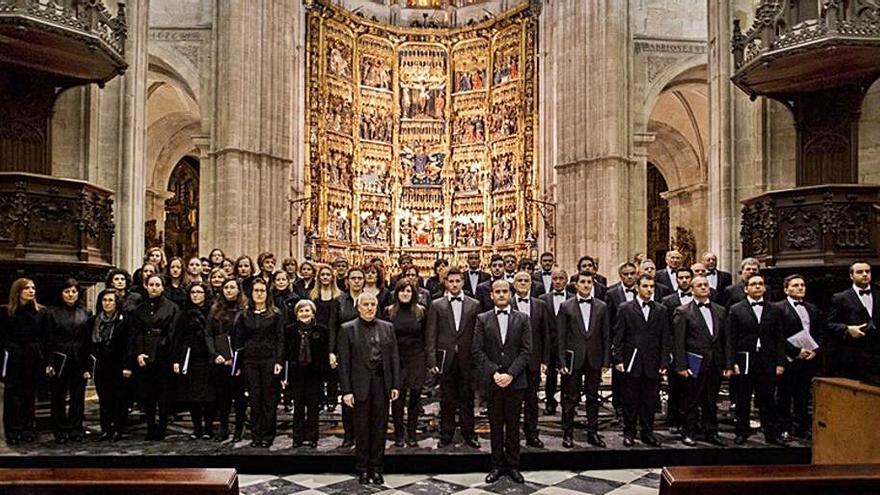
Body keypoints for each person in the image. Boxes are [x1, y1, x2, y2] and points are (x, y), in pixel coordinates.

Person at [338, 293, 400, 485]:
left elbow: (394, 359)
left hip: (381, 384)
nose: (370, 307)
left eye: (373, 304)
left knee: (380, 428)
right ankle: (363, 469)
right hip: (359, 386)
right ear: (358, 307)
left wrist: (395, 384)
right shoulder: (347, 329)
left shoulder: (387, 327)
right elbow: (344, 364)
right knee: (362, 429)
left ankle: (377, 468)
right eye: (365, 304)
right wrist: (346, 391)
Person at [474, 279, 531, 484]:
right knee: (495, 426)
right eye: (496, 291)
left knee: (514, 426)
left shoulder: (523, 318)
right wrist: (495, 373)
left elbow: (526, 351)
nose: (500, 295)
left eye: (504, 291)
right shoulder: (482, 318)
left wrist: (511, 374)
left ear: (510, 293)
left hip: (515, 381)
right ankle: (497, 466)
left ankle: (514, 466)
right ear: (491, 295)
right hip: (493, 381)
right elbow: (477, 351)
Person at [726, 274, 786, 445]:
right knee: (742, 398)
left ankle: (771, 433)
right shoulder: (736, 309)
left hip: (767, 360)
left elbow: (779, 338)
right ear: (746, 289)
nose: (758, 287)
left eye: (760, 284)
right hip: (744, 360)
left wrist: (780, 362)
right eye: (753, 284)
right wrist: (732, 363)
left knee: (768, 399)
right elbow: (731, 338)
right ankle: (741, 432)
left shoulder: (774, 309)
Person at [425, 267, 481, 448]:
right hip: (445, 358)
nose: (455, 284)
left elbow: (478, 334)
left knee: (467, 398)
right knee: (446, 399)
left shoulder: (474, 304)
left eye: (458, 281)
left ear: (463, 282)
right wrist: (432, 360)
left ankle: (469, 434)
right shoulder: (436, 304)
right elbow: (431, 334)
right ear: (446, 283)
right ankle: (446, 434)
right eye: (451, 281)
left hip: (467, 358)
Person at [612, 275, 670, 447]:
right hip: (632, 361)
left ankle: (648, 432)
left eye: (652, 286)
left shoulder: (660, 309)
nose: (649, 289)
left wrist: (664, 362)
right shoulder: (625, 308)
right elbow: (619, 336)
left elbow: (665, 338)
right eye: (645, 286)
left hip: (652, 361)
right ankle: (629, 432)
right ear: (637, 287)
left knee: (650, 400)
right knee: (630, 400)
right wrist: (618, 359)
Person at [673, 275, 731, 446]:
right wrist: (681, 365)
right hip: (694, 363)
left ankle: (711, 432)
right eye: (699, 285)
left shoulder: (720, 310)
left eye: (706, 285)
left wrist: (727, 364)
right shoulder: (683, 311)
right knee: (691, 400)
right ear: (692, 289)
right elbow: (678, 341)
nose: (704, 288)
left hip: (715, 363)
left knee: (711, 400)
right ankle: (688, 431)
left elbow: (725, 340)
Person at [557, 271, 611, 448]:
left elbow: (605, 336)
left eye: (589, 282)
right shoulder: (566, 306)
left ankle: (592, 432)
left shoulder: (602, 306)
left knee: (593, 398)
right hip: (574, 359)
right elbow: (561, 337)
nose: (586, 285)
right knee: (570, 398)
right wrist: (562, 362)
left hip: (594, 358)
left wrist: (605, 361)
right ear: (576, 285)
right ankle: (568, 433)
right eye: (583, 282)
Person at [232, 278, 285, 448]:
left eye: (262, 290)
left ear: (267, 294)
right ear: (251, 293)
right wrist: (238, 364)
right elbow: (238, 341)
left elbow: (280, 339)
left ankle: (268, 435)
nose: (259, 293)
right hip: (250, 361)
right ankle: (256, 435)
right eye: (256, 290)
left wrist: (279, 361)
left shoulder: (275, 314)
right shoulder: (243, 315)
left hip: (269, 360)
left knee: (269, 399)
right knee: (255, 399)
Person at [129, 274, 180, 440]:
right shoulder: (139, 309)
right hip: (145, 355)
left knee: (164, 394)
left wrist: (168, 353)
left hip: (164, 354)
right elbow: (135, 333)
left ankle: (162, 427)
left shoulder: (172, 307)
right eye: (151, 284)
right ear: (145, 286)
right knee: (148, 394)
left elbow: (173, 333)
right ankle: (150, 426)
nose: (154, 287)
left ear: (163, 287)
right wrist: (139, 352)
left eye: (158, 284)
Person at [0, 278, 49, 445]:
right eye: (27, 288)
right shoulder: (6, 311)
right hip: (14, 355)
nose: (31, 291)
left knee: (30, 394)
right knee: (12, 394)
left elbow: (46, 337)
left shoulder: (42, 312)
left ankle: (28, 429)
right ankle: (12, 431)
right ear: (18, 291)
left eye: (33, 288)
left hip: (33, 355)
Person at [775, 274, 821, 439]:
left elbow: (818, 333)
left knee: (803, 395)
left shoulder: (813, 308)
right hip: (788, 358)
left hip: (809, 358)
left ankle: (801, 427)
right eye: (795, 285)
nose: (800, 288)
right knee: (784, 395)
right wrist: (795, 351)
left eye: (802, 285)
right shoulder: (778, 308)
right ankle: (784, 427)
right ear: (786, 289)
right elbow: (776, 336)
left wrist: (815, 350)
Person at [46, 279, 93, 443]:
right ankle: (60, 430)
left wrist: (88, 365)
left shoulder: (85, 312)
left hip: (79, 358)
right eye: (67, 291)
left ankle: (76, 428)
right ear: (61, 293)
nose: (71, 294)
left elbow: (88, 341)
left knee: (78, 396)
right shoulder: (52, 313)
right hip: (60, 357)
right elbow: (48, 340)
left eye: (74, 291)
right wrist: (49, 362)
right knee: (58, 396)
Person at [385, 279, 427, 447]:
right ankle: (399, 433)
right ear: (396, 293)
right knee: (398, 398)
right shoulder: (389, 311)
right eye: (402, 291)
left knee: (415, 397)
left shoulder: (421, 311)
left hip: (416, 358)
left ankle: (412, 434)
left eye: (409, 291)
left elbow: (426, 335)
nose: (405, 294)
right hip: (396, 359)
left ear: (414, 294)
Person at [86, 288, 132, 442]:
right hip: (101, 364)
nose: (107, 303)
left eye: (110, 300)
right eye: (104, 300)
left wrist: (127, 366)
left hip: (118, 364)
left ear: (117, 302)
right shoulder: (94, 320)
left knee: (119, 398)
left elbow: (128, 345)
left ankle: (119, 429)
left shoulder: (124, 320)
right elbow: (89, 343)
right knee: (104, 398)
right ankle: (106, 429)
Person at [511, 271, 550, 448]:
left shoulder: (540, 305)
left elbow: (545, 334)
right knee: (512, 401)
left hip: (533, 360)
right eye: (519, 280)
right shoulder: (506, 303)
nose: (523, 283)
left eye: (526, 280)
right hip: (512, 362)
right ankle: (512, 436)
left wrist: (544, 360)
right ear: (513, 283)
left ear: (531, 284)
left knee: (532, 400)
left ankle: (531, 434)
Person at [172, 282, 215, 440]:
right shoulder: (184, 314)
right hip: (190, 358)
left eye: (199, 292)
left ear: (205, 294)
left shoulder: (212, 312)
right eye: (193, 292)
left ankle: (208, 428)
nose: (196, 295)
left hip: (208, 358)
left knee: (209, 396)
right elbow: (177, 338)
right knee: (193, 397)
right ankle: (197, 428)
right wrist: (176, 360)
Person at [206, 278, 248, 442]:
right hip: (219, 360)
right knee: (222, 397)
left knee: (239, 397)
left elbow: (246, 336)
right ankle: (223, 428)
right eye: (226, 288)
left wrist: (235, 360)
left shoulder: (244, 310)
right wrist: (215, 354)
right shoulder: (215, 310)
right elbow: (208, 334)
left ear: (238, 290)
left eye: (232, 287)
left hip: (238, 361)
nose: (229, 290)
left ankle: (239, 428)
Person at [827, 261, 880, 383]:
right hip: (853, 355)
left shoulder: (878, 294)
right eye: (860, 272)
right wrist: (847, 329)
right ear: (851, 276)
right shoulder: (840, 298)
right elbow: (829, 324)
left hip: (876, 355)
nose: (865, 274)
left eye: (867, 271)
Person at [285, 299, 328, 448]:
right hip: (296, 374)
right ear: (296, 315)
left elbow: (323, 354)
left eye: (307, 310)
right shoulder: (290, 330)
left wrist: (324, 375)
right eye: (301, 311)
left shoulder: (321, 330)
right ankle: (297, 437)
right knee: (298, 407)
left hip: (314, 374)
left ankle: (312, 437)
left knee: (313, 407)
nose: (304, 313)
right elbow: (286, 353)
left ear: (313, 313)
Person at [660, 267, 695, 434]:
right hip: (675, 350)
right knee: (675, 388)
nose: (684, 280)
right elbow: (665, 329)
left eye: (687, 277)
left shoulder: (700, 300)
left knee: (693, 389)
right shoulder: (668, 301)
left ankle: (690, 421)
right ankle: (673, 420)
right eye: (681, 278)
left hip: (695, 350)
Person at [604, 262, 640, 419]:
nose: (630, 277)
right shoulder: (612, 293)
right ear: (621, 276)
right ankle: (618, 405)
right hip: (621, 342)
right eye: (626, 274)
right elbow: (609, 320)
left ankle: (636, 406)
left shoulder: (643, 291)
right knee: (620, 377)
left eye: (632, 273)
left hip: (639, 341)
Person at [335, 267, 365, 447]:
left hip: (364, 352)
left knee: (363, 396)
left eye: (360, 278)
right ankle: (348, 434)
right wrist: (332, 352)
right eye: (353, 278)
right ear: (347, 280)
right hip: (344, 351)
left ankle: (362, 433)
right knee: (347, 393)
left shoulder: (370, 300)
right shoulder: (339, 301)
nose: (356, 281)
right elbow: (333, 326)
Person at [540, 268, 572, 416]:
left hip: (568, 345)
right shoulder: (543, 299)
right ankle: (550, 402)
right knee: (550, 376)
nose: (558, 282)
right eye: (555, 279)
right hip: (550, 344)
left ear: (566, 280)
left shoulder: (573, 298)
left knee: (568, 376)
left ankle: (568, 404)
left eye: (561, 278)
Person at [311, 263, 340, 412]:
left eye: (328, 274)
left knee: (332, 368)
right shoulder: (313, 295)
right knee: (318, 368)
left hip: (333, 334)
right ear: (318, 277)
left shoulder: (339, 296)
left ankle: (332, 398)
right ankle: (320, 398)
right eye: (322, 275)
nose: (325, 277)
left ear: (332, 277)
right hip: (317, 336)